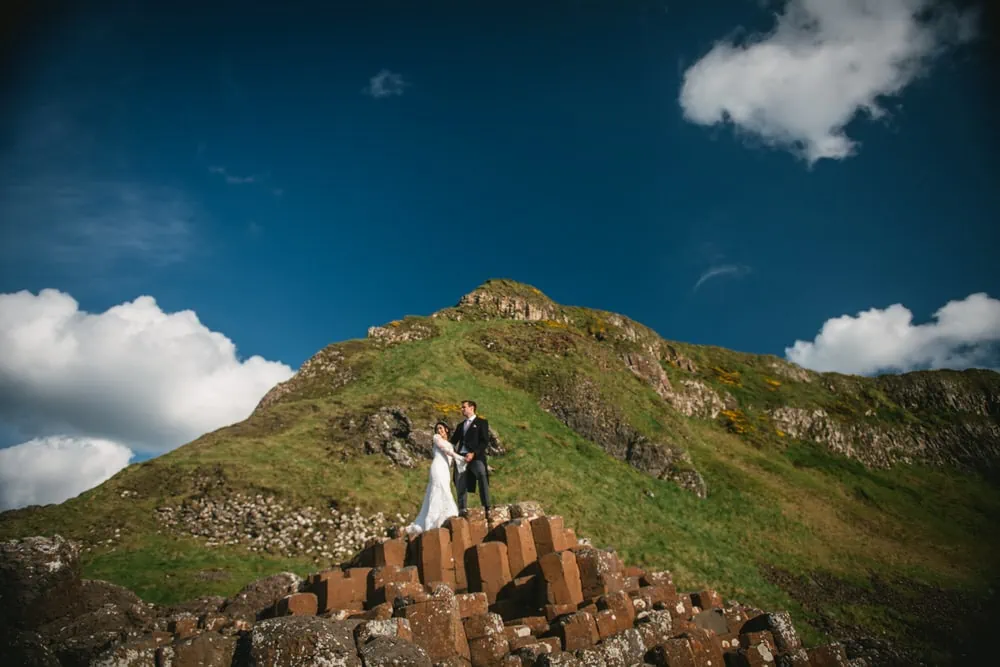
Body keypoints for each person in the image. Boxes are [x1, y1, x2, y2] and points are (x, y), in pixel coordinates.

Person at [405, 422, 465, 536]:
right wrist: (459, 457)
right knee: (438, 489)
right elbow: (444, 449)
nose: (439, 431)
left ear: (446, 429)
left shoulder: (451, 444)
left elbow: (450, 454)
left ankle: (442, 517)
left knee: (445, 489)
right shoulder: (436, 438)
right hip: (437, 467)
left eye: (441, 428)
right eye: (437, 429)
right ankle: (432, 521)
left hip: (446, 470)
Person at [449, 399, 491, 516]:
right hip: (460, 458)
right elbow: (453, 442)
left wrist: (473, 454)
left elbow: (484, 442)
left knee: (482, 474)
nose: (461, 409)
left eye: (464, 407)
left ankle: (487, 506)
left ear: (471, 408)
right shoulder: (460, 425)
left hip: (476, 457)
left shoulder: (482, 423)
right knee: (460, 482)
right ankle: (462, 509)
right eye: (462, 407)